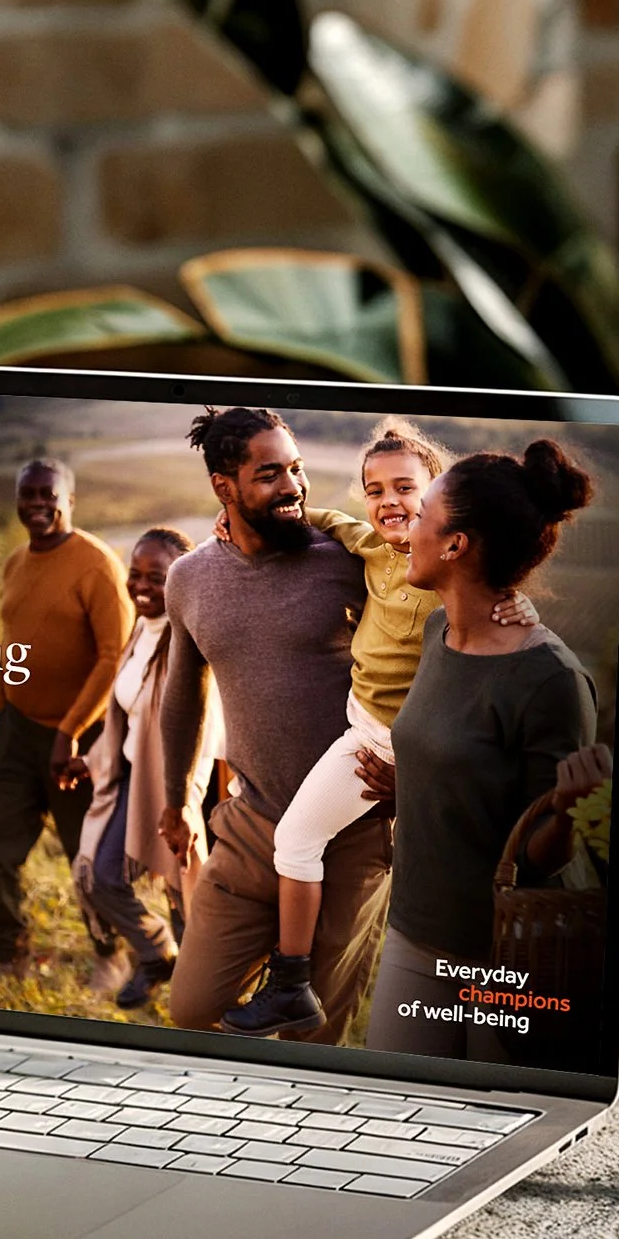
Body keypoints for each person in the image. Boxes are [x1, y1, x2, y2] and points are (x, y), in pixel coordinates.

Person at [221, 421, 536, 1036]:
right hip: (359, 735)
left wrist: (519, 605)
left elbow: (501, 608)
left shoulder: (454, 572)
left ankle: (462, 1006)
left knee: (410, 880)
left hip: (404, 750)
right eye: (375, 489)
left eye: (405, 488)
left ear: (439, 496)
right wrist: (239, 525)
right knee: (297, 842)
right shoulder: (369, 547)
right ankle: (292, 985)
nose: (388, 501)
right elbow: (327, 521)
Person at [355, 440, 610, 1061]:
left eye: (424, 516)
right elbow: (454, 754)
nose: (406, 526)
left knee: (488, 1124)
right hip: (415, 931)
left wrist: (573, 808)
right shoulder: (440, 631)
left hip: (500, 960)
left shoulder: (550, 680)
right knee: (391, 1117)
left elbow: (540, 856)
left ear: (455, 545)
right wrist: (413, 781)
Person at [155, 407, 390, 1044]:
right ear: (223, 487)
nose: (292, 485)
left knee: (317, 1035)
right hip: (252, 827)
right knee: (191, 1008)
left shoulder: (342, 562)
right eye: (270, 474)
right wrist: (177, 799)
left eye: (297, 469)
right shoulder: (191, 578)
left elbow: (422, 646)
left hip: (354, 830)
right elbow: (183, 695)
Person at [0, 458, 132, 973]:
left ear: (70, 500)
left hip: (80, 742)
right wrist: (3, 716)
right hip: (17, 733)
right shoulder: (16, 561)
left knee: (85, 859)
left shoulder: (96, 565)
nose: (38, 505)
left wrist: (68, 732)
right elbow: (12, 647)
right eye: (29, 495)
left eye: (49, 495)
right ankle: (12, 957)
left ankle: (111, 960)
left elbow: (115, 656)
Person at [72, 528, 222, 1011]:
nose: (141, 586)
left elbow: (204, 734)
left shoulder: (192, 641)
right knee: (102, 874)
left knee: (183, 895)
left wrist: (184, 806)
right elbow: (129, 714)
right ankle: (156, 953)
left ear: (182, 579)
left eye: (156, 577)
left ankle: (196, 1001)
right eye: (135, 574)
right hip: (136, 780)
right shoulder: (141, 630)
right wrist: (90, 759)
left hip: (181, 790)